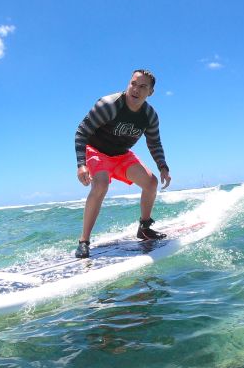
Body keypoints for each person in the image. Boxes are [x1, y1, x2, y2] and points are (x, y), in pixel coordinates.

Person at [73, 69, 171, 258]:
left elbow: (154, 143)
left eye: (142, 86)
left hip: (121, 155)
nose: (136, 89)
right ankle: (84, 241)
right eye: (133, 83)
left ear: (150, 92)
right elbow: (81, 132)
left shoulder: (149, 115)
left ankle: (144, 228)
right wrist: (81, 164)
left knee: (151, 183)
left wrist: (163, 167)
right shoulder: (109, 105)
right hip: (96, 151)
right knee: (101, 185)